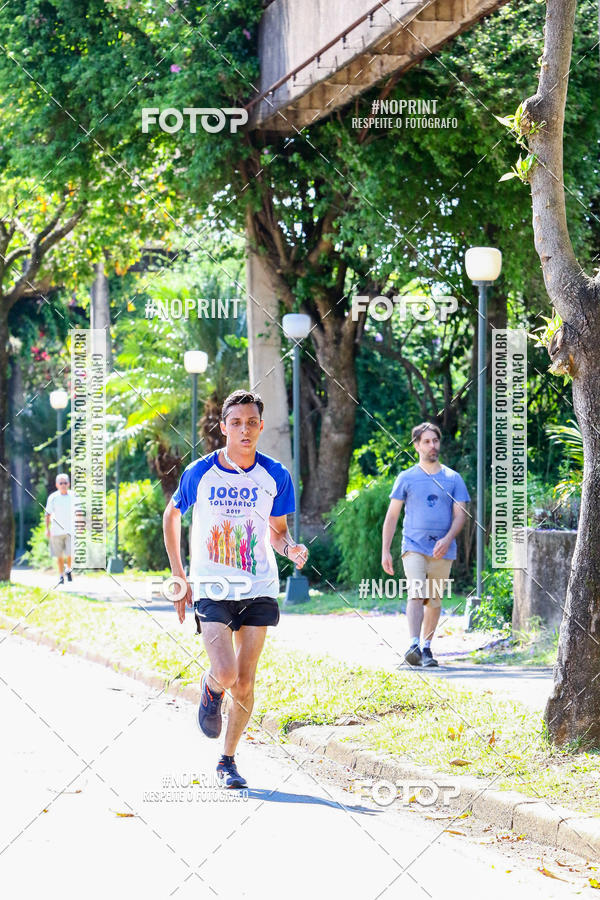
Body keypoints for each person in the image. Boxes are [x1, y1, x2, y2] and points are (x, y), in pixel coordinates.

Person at [163, 389, 308, 789]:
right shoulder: (201, 472)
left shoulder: (275, 475)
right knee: (225, 672)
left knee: (245, 680)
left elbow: (277, 533)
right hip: (212, 585)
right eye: (236, 422)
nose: (245, 429)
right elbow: (171, 515)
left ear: (261, 427)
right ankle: (211, 689)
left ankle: (227, 760)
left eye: (251, 422)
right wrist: (179, 574)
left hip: (259, 586)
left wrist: (291, 548)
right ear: (223, 427)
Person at [381, 423, 470, 668]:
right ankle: (413, 645)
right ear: (417, 445)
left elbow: (461, 514)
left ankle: (427, 648)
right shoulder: (406, 478)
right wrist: (385, 550)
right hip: (413, 546)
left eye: (436, 441)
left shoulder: (453, 478)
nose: (433, 446)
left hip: (443, 549)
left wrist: (448, 538)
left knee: (434, 599)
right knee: (417, 591)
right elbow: (392, 516)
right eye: (427, 441)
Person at [45, 473, 76, 585]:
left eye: (65, 482)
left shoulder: (74, 496)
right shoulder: (53, 497)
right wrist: (47, 529)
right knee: (59, 556)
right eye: (61, 483)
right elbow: (47, 514)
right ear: (57, 484)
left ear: (68, 483)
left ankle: (68, 569)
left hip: (70, 530)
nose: (63, 485)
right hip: (56, 531)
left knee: (70, 553)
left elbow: (79, 512)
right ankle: (61, 575)